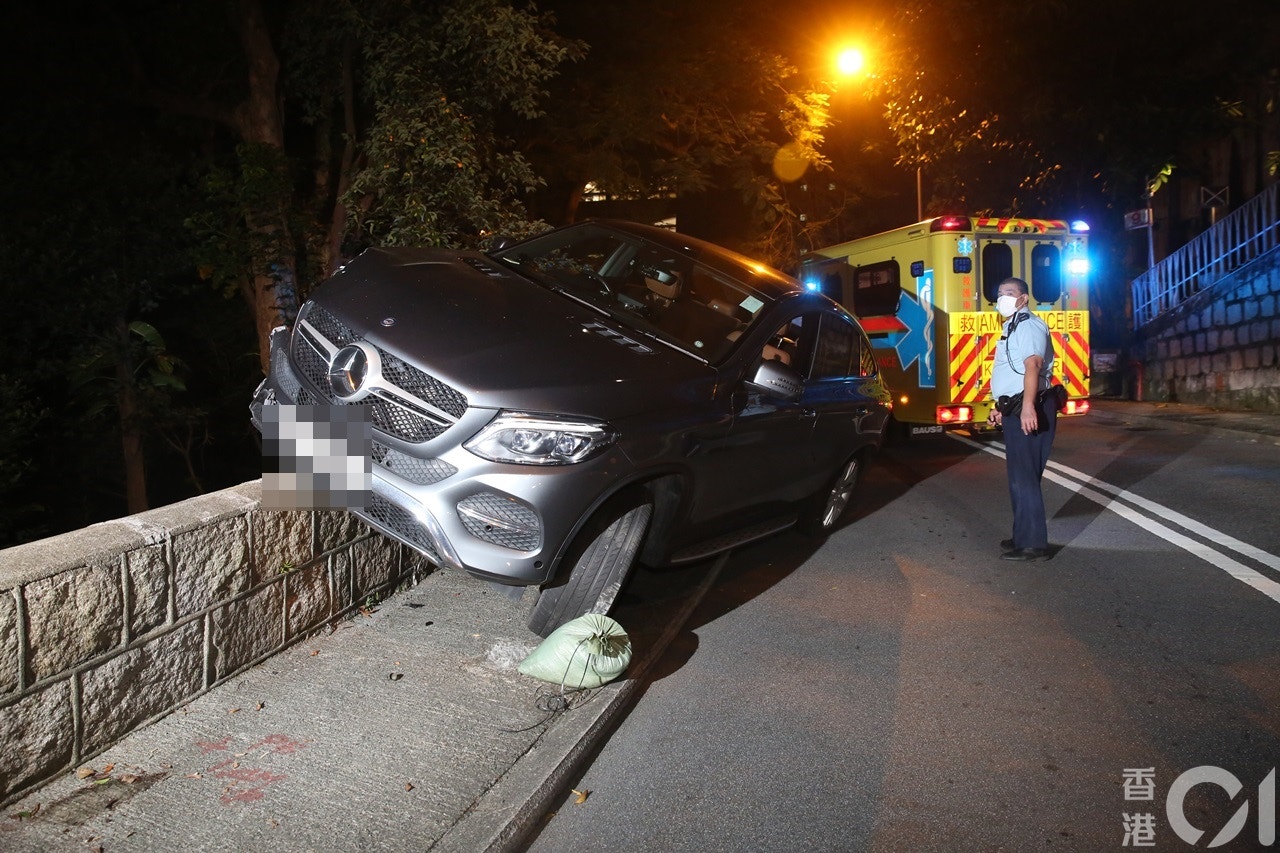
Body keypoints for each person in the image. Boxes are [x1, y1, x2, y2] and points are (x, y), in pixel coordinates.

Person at [986, 276, 1057, 561]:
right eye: (1000, 292)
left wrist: (1028, 407)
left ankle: (1033, 545)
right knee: (1019, 476)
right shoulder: (1011, 326)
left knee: (1025, 477)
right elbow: (1011, 372)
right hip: (1014, 407)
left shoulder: (1028, 325)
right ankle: (1022, 536)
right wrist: (1000, 406)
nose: (1003, 297)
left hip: (1030, 406)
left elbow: (1033, 365)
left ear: (1023, 298)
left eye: (1010, 293)